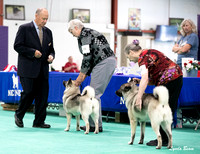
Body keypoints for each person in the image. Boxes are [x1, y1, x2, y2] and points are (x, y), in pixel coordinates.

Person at [124, 39, 183, 146]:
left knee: (160, 108)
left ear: (131, 52)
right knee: (169, 108)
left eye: (129, 57)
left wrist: (138, 98)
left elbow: (145, 79)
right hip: (177, 76)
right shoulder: (149, 52)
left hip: (167, 80)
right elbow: (153, 77)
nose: (130, 60)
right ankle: (166, 138)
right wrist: (139, 81)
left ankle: (163, 139)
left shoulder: (142, 58)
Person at [68, 19, 116, 132]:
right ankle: (94, 124)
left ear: (76, 28)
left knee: (93, 94)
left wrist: (80, 77)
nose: (71, 34)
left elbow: (87, 57)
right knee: (93, 94)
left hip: (103, 62)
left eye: (71, 31)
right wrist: (83, 75)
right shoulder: (89, 33)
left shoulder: (85, 35)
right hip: (104, 62)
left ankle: (95, 125)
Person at [14, 8, 55, 128]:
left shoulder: (48, 32)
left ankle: (39, 121)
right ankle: (19, 115)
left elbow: (52, 50)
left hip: (43, 69)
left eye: (47, 19)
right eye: (43, 18)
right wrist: (32, 52)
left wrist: (51, 56)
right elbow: (17, 46)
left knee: (43, 96)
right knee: (29, 92)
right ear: (36, 16)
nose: (45, 21)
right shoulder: (24, 28)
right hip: (27, 69)